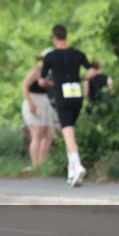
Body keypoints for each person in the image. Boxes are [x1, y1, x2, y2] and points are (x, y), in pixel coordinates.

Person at [38, 24, 98, 187]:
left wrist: (51, 83)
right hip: (76, 95)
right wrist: (83, 78)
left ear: (54, 38)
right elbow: (93, 71)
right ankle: (71, 172)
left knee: (68, 132)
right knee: (69, 132)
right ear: (66, 36)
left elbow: (42, 81)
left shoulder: (50, 56)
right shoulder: (78, 54)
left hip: (62, 95)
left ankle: (77, 166)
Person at [21, 49, 60, 170]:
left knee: (48, 133)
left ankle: (41, 163)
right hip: (33, 100)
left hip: (44, 102)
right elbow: (24, 87)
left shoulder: (49, 72)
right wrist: (31, 104)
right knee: (37, 134)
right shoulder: (35, 71)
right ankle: (35, 164)